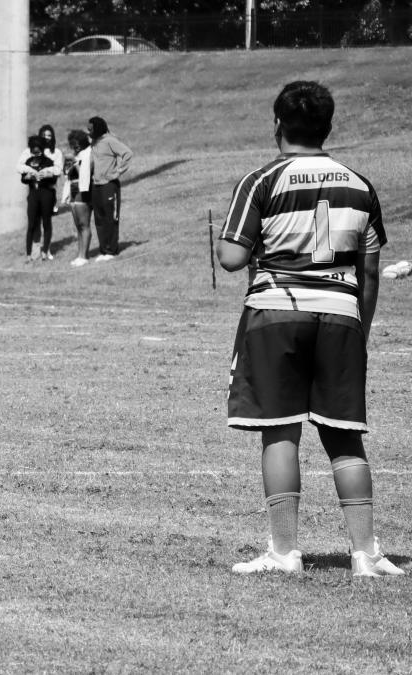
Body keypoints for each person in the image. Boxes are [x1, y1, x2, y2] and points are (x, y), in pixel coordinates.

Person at [217, 81, 401, 577]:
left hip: (277, 311)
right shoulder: (359, 185)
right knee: (344, 436)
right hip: (341, 315)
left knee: (280, 430)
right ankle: (366, 553)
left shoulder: (261, 180)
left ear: (277, 123)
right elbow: (368, 271)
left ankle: (284, 551)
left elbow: (231, 257)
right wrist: (359, 328)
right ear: (329, 126)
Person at [87, 116, 133, 261]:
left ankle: (111, 251)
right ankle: (104, 250)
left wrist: (118, 172)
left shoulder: (109, 141)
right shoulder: (94, 143)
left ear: (97, 128)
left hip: (109, 185)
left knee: (110, 218)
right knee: (99, 219)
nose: (88, 131)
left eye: (90, 129)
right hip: (96, 185)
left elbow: (128, 154)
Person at [18, 135, 58, 261]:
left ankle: (45, 251)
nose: (36, 154)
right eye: (34, 152)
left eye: (38, 151)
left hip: (46, 193)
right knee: (31, 223)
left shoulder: (48, 162)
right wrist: (28, 177)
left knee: (46, 222)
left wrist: (46, 175)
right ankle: (29, 254)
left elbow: (54, 178)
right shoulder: (28, 162)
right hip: (33, 194)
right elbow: (23, 179)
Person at [65, 129, 93, 266]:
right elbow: (66, 173)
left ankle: (84, 256)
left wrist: (75, 163)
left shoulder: (87, 154)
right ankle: (80, 254)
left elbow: (85, 174)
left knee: (84, 224)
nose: (75, 146)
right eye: (72, 143)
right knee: (78, 226)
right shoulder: (76, 155)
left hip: (83, 191)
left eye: (77, 143)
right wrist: (68, 164)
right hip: (73, 190)